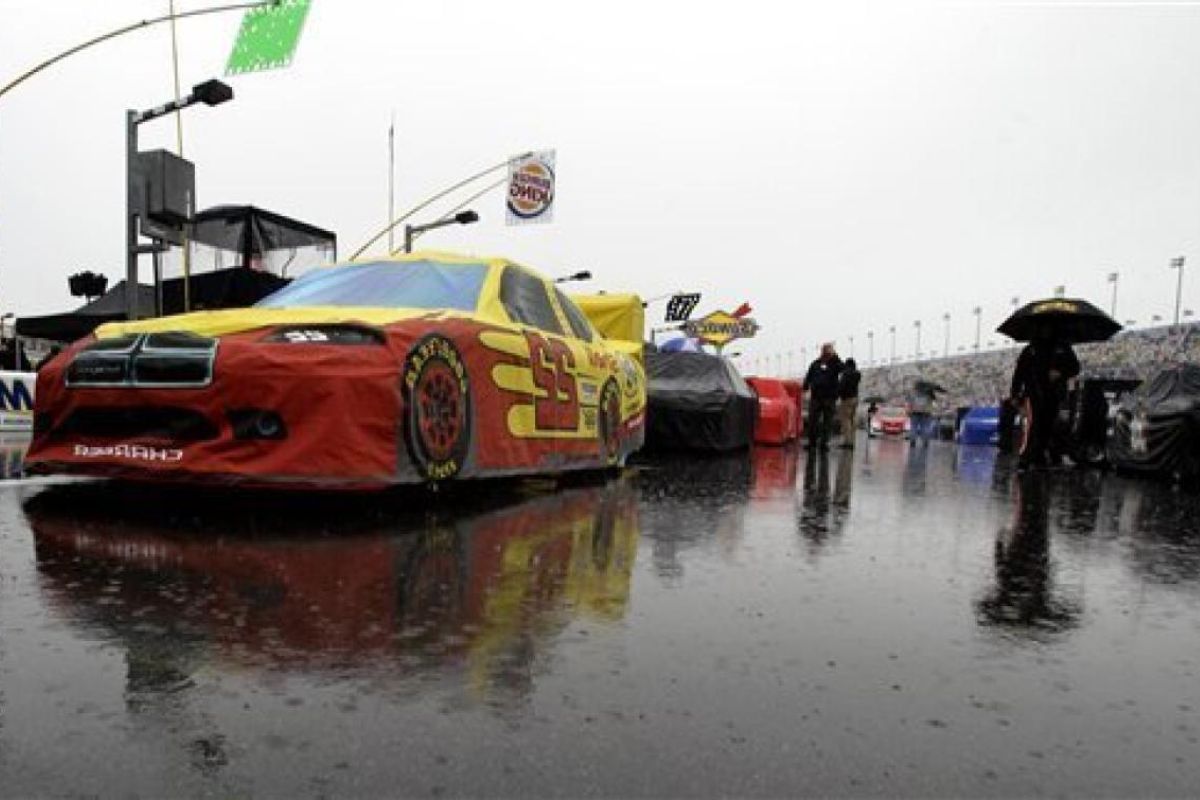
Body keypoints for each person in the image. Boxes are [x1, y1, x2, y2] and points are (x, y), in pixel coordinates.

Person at [1010, 331, 1080, 469]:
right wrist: (1015, 393)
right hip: (1033, 392)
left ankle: (1040, 456)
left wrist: (1060, 372)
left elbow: (1075, 367)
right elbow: (1019, 373)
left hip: (1054, 393)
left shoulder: (1063, 347)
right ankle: (1026, 458)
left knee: (1047, 426)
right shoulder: (1030, 350)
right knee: (1032, 425)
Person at [804, 343, 843, 451]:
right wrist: (805, 386)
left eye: (828, 350)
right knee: (813, 421)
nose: (826, 352)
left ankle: (824, 443)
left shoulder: (835, 363)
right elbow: (809, 376)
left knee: (827, 421)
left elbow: (842, 368)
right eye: (825, 350)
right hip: (816, 397)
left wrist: (835, 356)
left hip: (829, 397)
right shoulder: (815, 364)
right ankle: (812, 443)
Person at [836, 358, 861, 448]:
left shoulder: (846, 374)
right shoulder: (857, 374)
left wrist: (837, 394)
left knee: (845, 420)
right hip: (855, 398)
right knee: (852, 420)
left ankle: (847, 442)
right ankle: (852, 440)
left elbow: (842, 386)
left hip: (847, 399)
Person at [907, 383, 937, 447]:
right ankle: (925, 441)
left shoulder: (913, 394)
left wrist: (909, 411)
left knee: (913, 427)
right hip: (926, 413)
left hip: (914, 412)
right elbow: (934, 400)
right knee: (925, 427)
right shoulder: (929, 394)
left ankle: (912, 441)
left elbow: (909, 403)